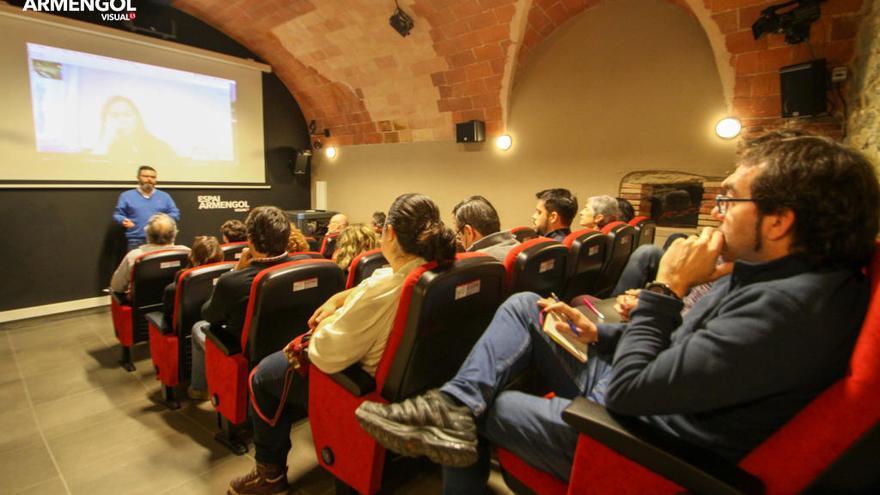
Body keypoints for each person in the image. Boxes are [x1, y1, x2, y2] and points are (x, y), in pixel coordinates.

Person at [355, 135, 879, 494]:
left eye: (729, 200)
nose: (718, 212)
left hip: (638, 437)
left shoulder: (787, 311)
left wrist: (668, 288)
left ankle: (458, 413)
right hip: (651, 394)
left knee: (492, 408)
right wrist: (601, 333)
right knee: (525, 306)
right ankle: (451, 404)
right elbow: (687, 358)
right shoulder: (778, 277)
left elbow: (633, 392)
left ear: (781, 221)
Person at [226, 193, 457, 495]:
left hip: (353, 378)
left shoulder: (383, 290)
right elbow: (381, 281)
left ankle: (269, 475)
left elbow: (325, 353)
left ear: (388, 233)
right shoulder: (436, 271)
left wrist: (323, 325)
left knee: (262, 376)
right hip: (418, 378)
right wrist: (341, 298)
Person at [188, 206, 291, 400]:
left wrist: (236, 271)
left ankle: (199, 389)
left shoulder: (233, 281)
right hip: (288, 347)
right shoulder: (309, 265)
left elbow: (209, 315)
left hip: (246, 351)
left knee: (198, 327)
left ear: (250, 240)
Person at [110, 213, 189, 298]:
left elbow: (116, 287)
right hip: (174, 306)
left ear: (147, 233)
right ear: (175, 233)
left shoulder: (134, 256)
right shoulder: (187, 252)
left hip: (142, 309)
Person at [113, 165, 180, 251]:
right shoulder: (126, 196)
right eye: (145, 176)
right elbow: (118, 214)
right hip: (136, 241)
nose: (149, 179)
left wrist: (163, 220)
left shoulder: (165, 196)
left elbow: (175, 213)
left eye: (153, 177)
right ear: (138, 177)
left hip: (161, 240)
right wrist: (122, 220)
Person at [92, 95, 176, 163]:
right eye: (115, 115)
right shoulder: (102, 147)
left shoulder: (159, 146)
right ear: (105, 121)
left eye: (127, 114)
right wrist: (105, 141)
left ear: (137, 118)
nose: (122, 120)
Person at [162, 236, 224, 323]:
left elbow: (167, 317)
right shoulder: (228, 278)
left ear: (192, 257)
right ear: (221, 255)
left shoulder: (174, 289)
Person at [452, 195, 519, 262]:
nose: (460, 243)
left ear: (469, 232)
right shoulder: (520, 248)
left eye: (459, 235)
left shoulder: (475, 263)